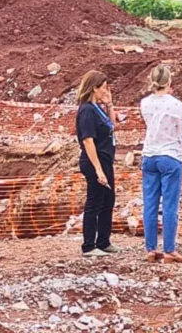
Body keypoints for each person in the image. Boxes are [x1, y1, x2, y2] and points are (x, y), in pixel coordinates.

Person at [140, 65, 182, 263]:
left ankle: (151, 248)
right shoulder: (176, 105)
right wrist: (181, 153)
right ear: (169, 82)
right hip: (170, 154)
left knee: (150, 204)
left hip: (149, 154)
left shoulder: (145, 103)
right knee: (170, 204)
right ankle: (169, 249)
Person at [76, 70, 120, 257]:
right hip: (95, 161)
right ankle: (89, 245)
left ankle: (103, 240)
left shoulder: (98, 108)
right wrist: (98, 170)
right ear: (94, 88)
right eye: (104, 88)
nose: (106, 91)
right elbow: (88, 140)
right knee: (94, 202)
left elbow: (112, 126)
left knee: (108, 200)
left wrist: (109, 105)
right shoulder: (86, 110)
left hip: (105, 159)